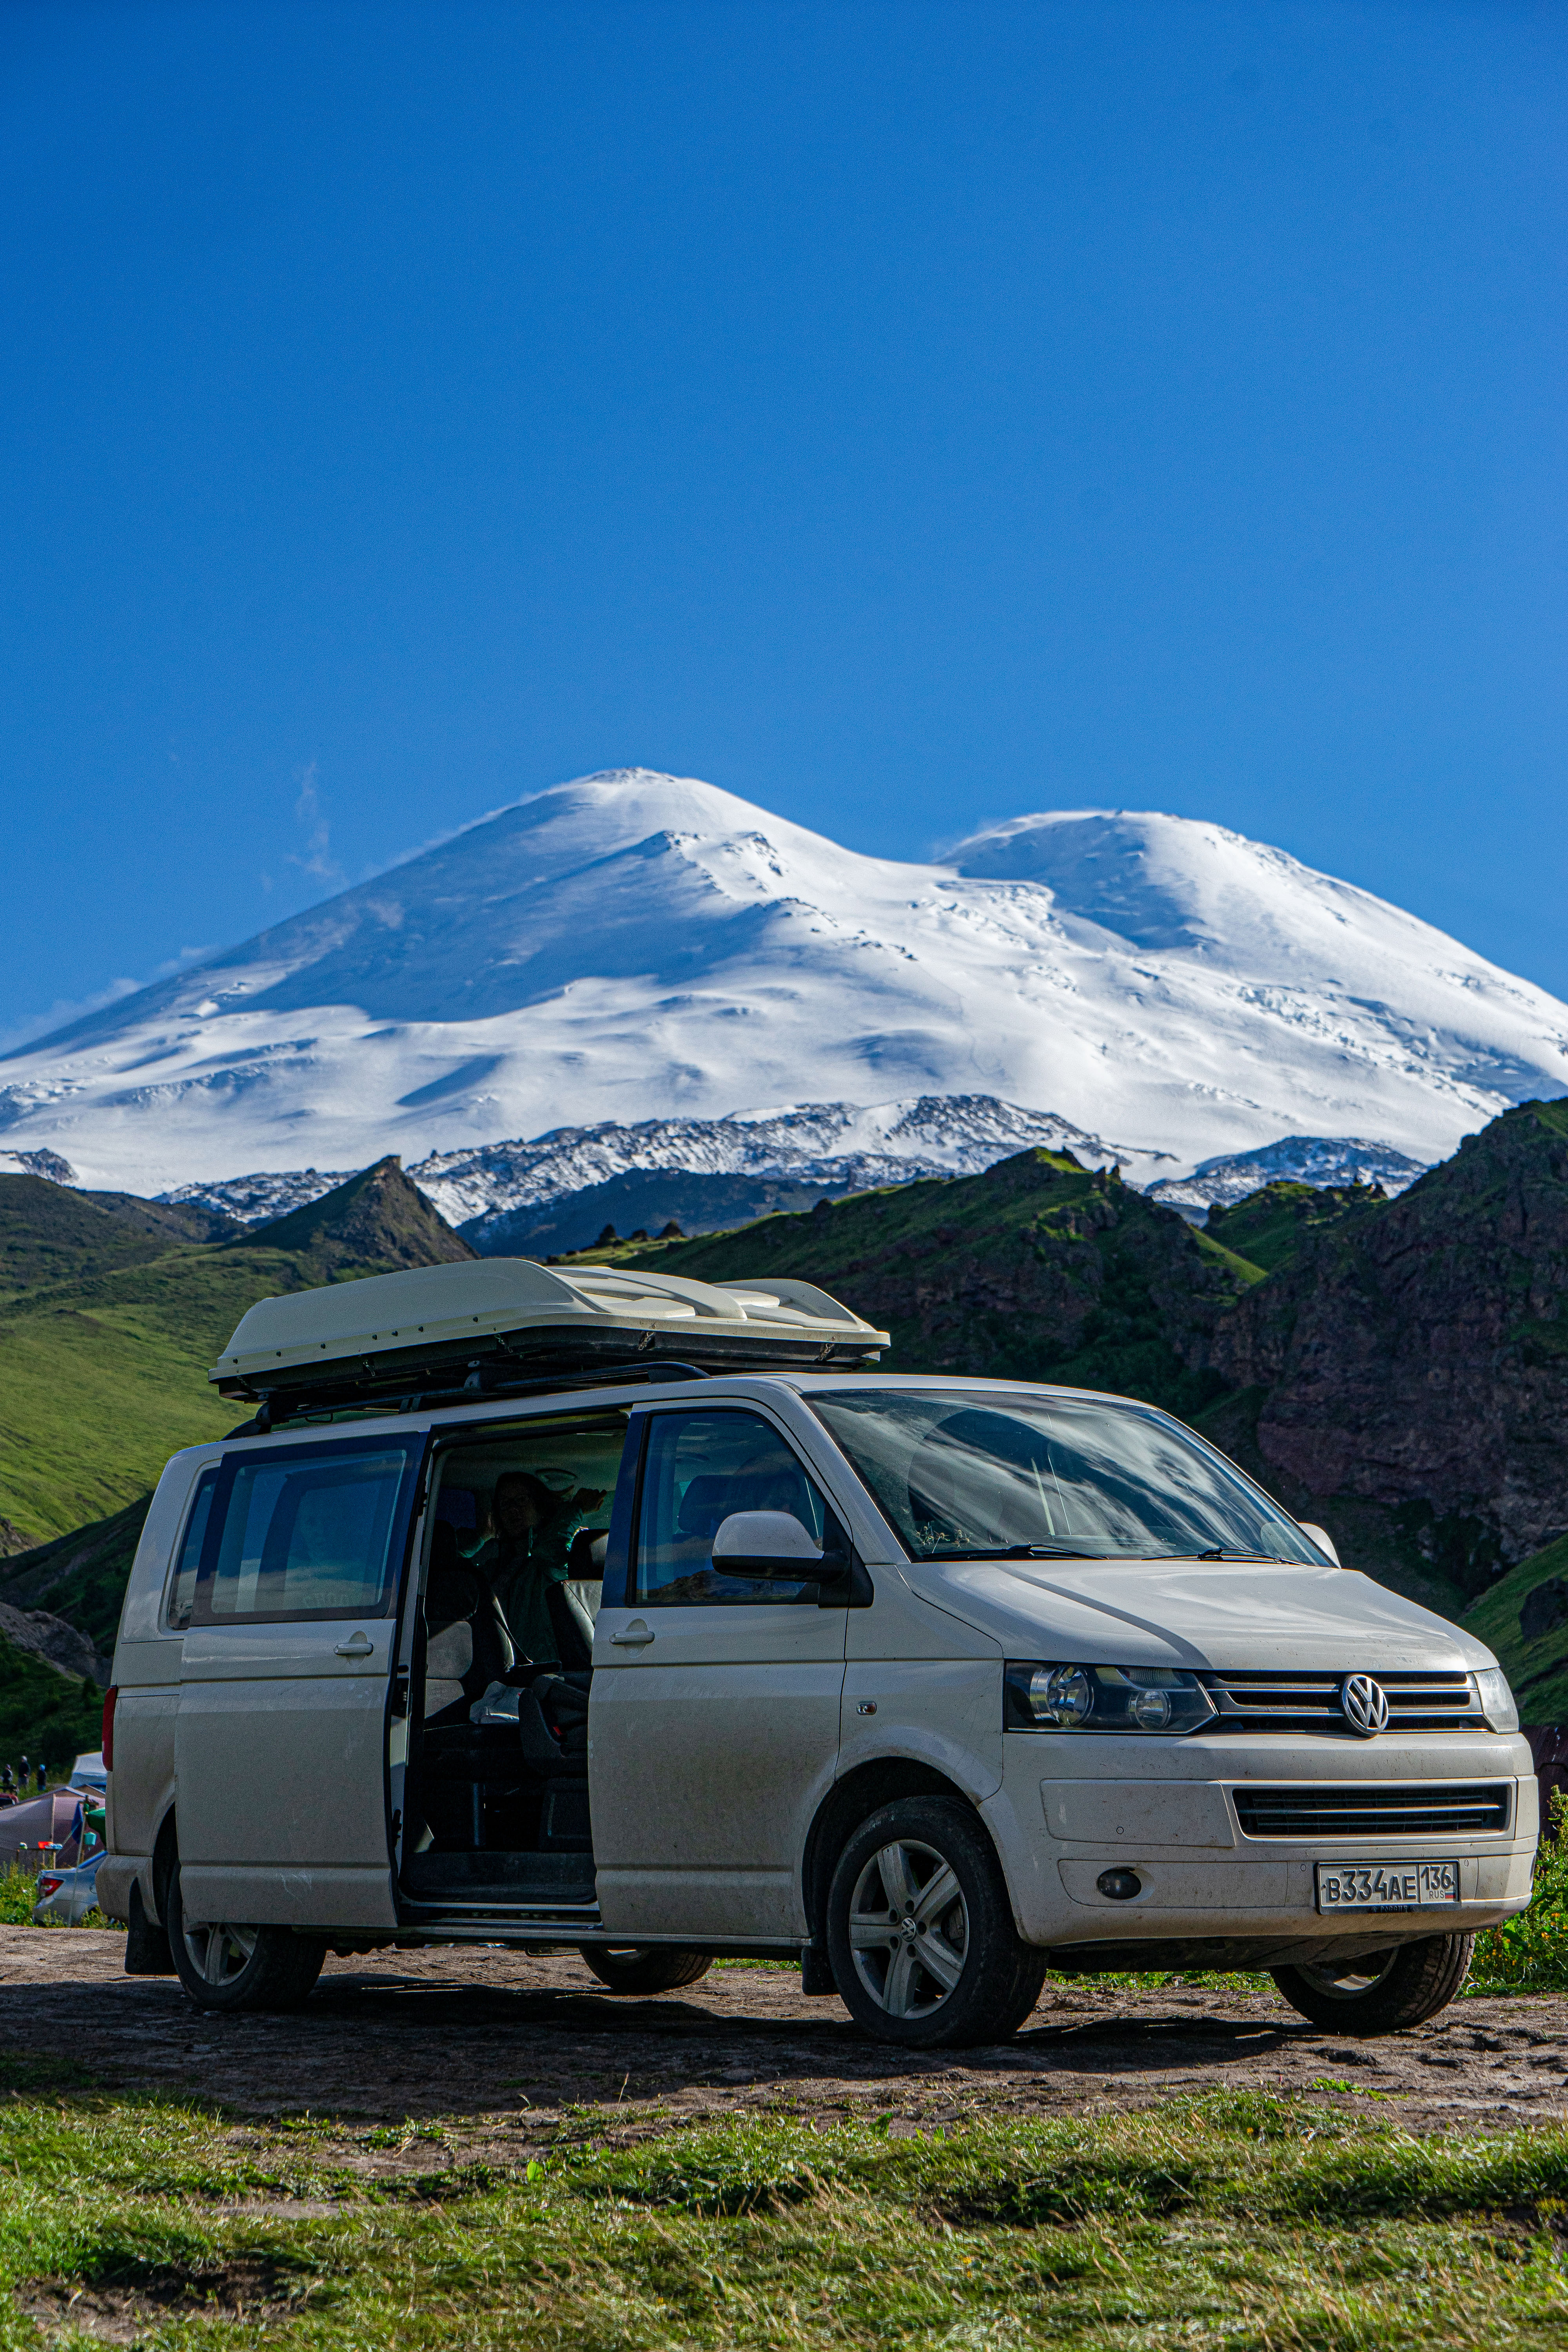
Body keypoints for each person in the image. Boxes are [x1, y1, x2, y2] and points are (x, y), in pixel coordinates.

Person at [470, 1470, 605, 1665]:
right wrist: (480, 1537)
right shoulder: (494, 1568)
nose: (513, 1509)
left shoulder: (553, 1560)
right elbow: (451, 1568)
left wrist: (576, 1509)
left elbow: (547, 1549)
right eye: (505, 1503)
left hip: (546, 1673)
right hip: (503, 1674)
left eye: (522, 1500)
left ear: (540, 1506)